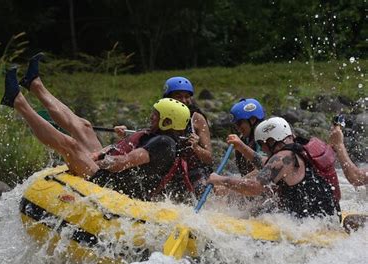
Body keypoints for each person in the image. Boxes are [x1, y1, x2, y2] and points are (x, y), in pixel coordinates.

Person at [0, 53, 191, 201]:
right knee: (84, 126)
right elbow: (119, 151)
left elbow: (121, 163)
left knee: (72, 146)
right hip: (110, 174)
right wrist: (102, 153)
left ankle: (18, 102)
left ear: (167, 121)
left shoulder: (164, 143)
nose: (151, 116)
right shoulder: (156, 134)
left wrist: (97, 159)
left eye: (156, 115)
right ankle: (35, 85)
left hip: (111, 185)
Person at [206, 117, 341, 219]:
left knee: (258, 211)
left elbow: (254, 187)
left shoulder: (282, 157)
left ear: (270, 140)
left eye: (262, 144)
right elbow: (266, 164)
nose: (263, 148)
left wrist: (219, 179)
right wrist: (241, 146)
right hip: (325, 216)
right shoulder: (296, 149)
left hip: (310, 222)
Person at [116, 76, 213, 198]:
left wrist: (196, 147)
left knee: (199, 191)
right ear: (168, 99)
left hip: (194, 172)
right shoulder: (163, 115)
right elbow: (146, 139)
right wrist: (125, 136)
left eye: (187, 96)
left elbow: (209, 159)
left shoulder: (197, 119)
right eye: (178, 96)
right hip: (167, 170)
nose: (184, 100)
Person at [227, 98, 266, 176]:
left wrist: (236, 183)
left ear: (252, 119)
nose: (237, 128)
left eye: (239, 123)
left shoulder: (265, 137)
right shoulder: (245, 139)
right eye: (235, 125)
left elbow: (266, 168)